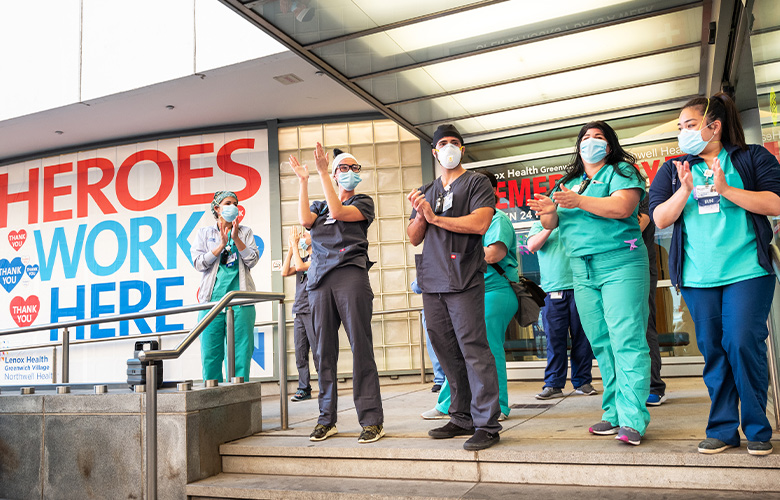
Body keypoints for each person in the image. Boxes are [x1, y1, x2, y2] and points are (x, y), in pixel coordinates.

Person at [649, 92, 780, 456]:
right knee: (713, 350)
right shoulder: (673, 169)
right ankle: (722, 428)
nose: (683, 133)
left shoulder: (750, 157)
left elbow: (775, 203)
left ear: (714, 126)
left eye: (690, 125)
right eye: (680, 128)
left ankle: (757, 427)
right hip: (697, 276)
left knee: (741, 342)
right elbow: (659, 218)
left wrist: (726, 190)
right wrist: (685, 191)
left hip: (747, 271)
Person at [528, 120, 650, 446]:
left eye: (599, 137)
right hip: (581, 270)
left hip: (620, 263)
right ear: (578, 146)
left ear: (609, 146)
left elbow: (624, 207)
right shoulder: (570, 182)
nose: (591, 142)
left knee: (627, 340)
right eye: (586, 138)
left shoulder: (621, 172)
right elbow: (552, 221)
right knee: (602, 343)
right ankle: (612, 413)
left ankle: (633, 418)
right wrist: (547, 210)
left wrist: (577, 202)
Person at [407, 123, 502, 451]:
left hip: (463, 276)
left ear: (462, 149)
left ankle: (487, 422)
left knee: (473, 348)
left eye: (455, 143)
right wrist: (422, 215)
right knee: (444, 349)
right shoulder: (426, 190)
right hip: (432, 280)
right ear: (434, 152)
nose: (449, 148)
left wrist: (435, 219)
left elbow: (479, 223)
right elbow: (413, 237)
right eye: (443, 144)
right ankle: (461, 415)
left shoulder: (476, 182)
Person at [289, 143, 385, 444]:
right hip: (318, 282)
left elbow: (338, 211)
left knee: (361, 348)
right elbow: (306, 220)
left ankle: (371, 420)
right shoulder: (318, 206)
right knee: (323, 353)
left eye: (355, 168)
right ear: (334, 173)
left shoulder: (363, 202)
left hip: (350, 276)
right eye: (343, 167)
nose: (351, 172)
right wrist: (305, 180)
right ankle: (326, 419)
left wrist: (322, 173)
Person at [420, 171, 518, 423]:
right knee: (454, 349)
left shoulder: (497, 218)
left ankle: (499, 406)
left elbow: (494, 254)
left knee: (484, 348)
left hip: (493, 290)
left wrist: (459, 262)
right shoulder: (456, 218)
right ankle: (451, 404)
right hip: (460, 289)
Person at [192, 191, 259, 383]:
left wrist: (236, 239)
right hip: (211, 303)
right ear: (217, 208)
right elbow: (198, 263)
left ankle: (238, 400)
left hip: (241, 303)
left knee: (241, 355)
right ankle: (212, 400)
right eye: (227, 203)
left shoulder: (245, 232)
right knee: (210, 355)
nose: (232, 207)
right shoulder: (204, 233)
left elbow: (252, 260)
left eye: (235, 203)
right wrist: (220, 246)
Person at [526, 220, 596, 400]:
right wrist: (549, 226)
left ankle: (582, 381)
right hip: (552, 290)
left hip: (580, 286)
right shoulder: (539, 225)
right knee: (554, 339)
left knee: (582, 338)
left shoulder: (575, 221)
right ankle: (553, 384)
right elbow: (532, 245)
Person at [281, 226, 318, 402]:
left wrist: (295, 246)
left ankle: (326, 385)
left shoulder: (319, 257)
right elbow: (284, 271)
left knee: (318, 351)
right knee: (300, 353)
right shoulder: (300, 257)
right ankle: (304, 388)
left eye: (305, 234)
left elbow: (302, 267)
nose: (301, 236)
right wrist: (290, 248)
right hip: (299, 311)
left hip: (313, 311)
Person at [638, 196, 666, 406]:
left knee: (645, 325)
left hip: (639, 265)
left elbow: (637, 225)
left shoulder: (641, 196)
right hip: (609, 267)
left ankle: (653, 386)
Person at [410, 280, 446, 392]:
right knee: (434, 345)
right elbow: (416, 287)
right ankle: (440, 380)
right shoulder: (426, 265)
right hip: (432, 309)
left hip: (451, 305)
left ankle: (444, 380)